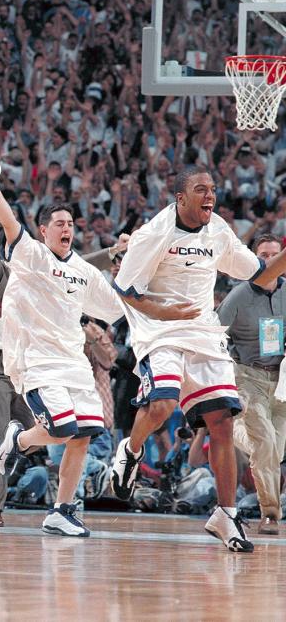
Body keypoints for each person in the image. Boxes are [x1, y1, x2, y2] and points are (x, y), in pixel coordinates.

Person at [109, 167, 286, 552]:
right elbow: (126, 290)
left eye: (213, 190)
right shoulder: (155, 234)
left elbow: (261, 274)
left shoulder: (218, 230)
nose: (210, 196)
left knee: (221, 420)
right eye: (201, 189)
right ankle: (130, 450)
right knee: (163, 405)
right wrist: (166, 314)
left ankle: (226, 514)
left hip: (204, 334)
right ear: (180, 197)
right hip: (159, 332)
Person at [0, 230, 127, 527]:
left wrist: (112, 250)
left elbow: (81, 263)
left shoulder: (43, 273)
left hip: (33, 363)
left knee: (53, 431)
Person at [0, 190, 125, 538]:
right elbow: (8, 220)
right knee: (62, 428)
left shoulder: (84, 270)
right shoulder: (31, 255)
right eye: (59, 223)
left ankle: (61, 512)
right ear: (43, 230)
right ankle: (20, 441)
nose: (67, 228)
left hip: (75, 364)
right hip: (37, 360)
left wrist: (131, 265)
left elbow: (116, 308)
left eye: (70, 223)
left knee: (82, 435)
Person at [218, 235, 286, 535]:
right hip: (248, 376)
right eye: (264, 255)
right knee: (267, 445)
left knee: (274, 451)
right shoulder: (238, 296)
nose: (271, 260)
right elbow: (214, 335)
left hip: (282, 379)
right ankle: (270, 513)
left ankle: (235, 431)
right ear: (253, 260)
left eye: (275, 255)